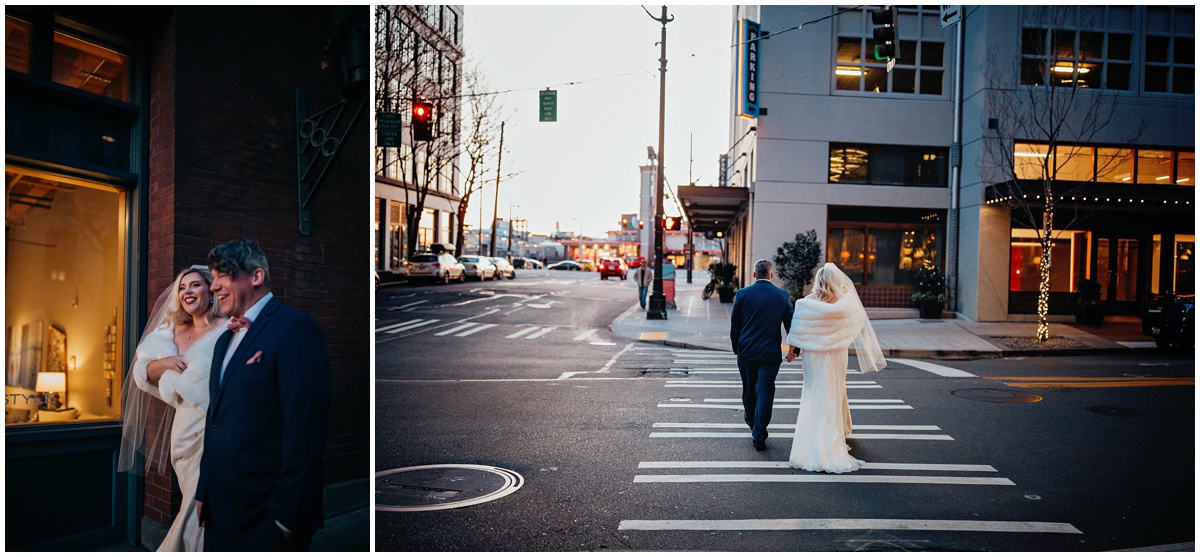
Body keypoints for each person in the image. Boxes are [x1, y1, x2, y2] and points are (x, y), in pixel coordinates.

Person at [196, 238, 331, 551]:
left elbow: (306, 430)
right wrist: (204, 492)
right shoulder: (223, 341)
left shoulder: (296, 329)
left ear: (255, 277)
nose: (213, 286)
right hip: (219, 511)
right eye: (212, 278)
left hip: (266, 517)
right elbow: (214, 421)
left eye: (222, 276)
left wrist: (286, 518)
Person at [119, 265, 229, 551]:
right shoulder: (169, 332)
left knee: (200, 513)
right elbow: (143, 372)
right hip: (184, 436)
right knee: (198, 510)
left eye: (195, 285)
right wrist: (165, 363)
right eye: (182, 287)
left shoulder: (228, 329)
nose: (187, 292)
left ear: (211, 289)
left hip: (218, 431)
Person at [785, 262, 886, 473]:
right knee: (832, 395)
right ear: (837, 281)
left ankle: (809, 444)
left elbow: (797, 331)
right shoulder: (845, 304)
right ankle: (830, 443)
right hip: (836, 354)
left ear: (818, 281)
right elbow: (857, 324)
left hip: (813, 357)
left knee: (813, 394)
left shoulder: (805, 303)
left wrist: (792, 351)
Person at [729, 259, 793, 451]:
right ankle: (759, 433)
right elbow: (792, 325)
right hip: (770, 354)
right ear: (771, 275)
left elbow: (735, 325)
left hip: (746, 352)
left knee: (749, 391)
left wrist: (736, 347)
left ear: (754, 274)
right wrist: (794, 348)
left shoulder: (742, 294)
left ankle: (753, 424)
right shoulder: (782, 296)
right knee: (765, 392)